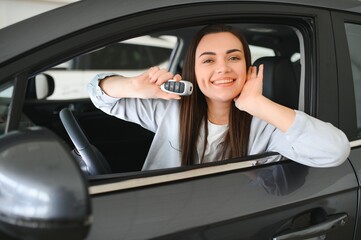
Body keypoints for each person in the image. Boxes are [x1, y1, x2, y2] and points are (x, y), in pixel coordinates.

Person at [87, 24, 350, 170]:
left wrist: (257, 104)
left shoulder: (268, 126)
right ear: (193, 70)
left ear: (249, 69)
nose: (222, 68)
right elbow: (98, 95)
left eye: (233, 58)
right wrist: (133, 86)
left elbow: (336, 152)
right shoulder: (170, 110)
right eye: (208, 60)